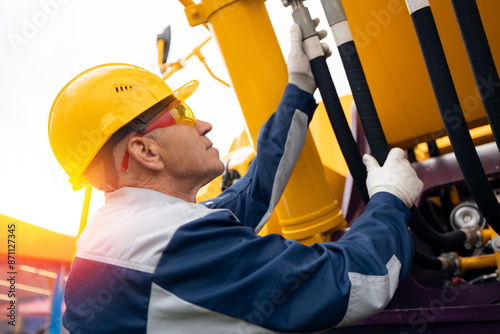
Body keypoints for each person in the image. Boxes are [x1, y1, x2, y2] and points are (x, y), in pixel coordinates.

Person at [48, 23, 423, 334]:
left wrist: (298, 86)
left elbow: (252, 193)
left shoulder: (134, 230)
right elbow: (351, 282)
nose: (203, 124)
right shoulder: (162, 244)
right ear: (146, 152)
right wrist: (390, 199)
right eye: (182, 113)